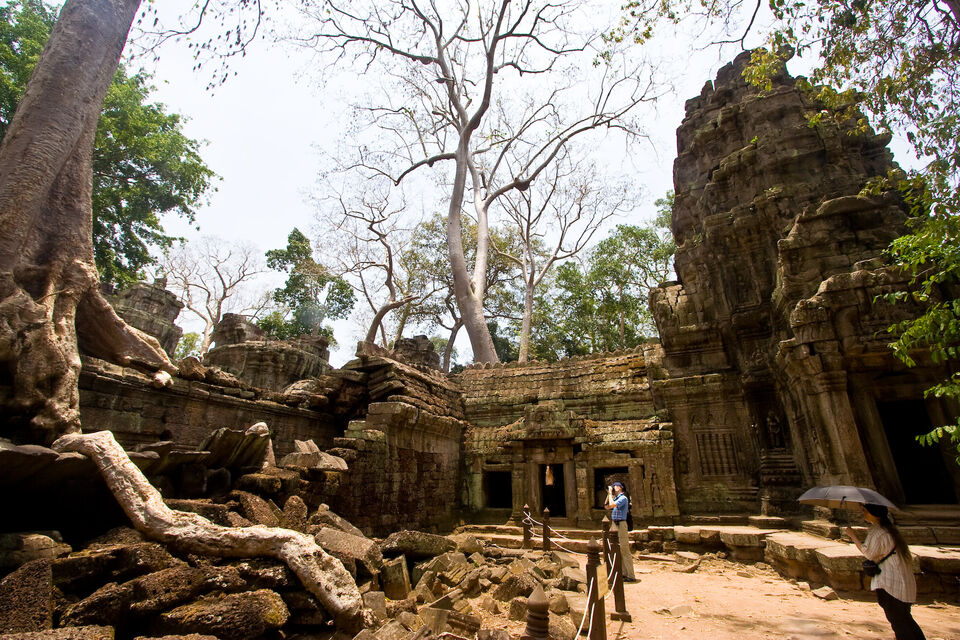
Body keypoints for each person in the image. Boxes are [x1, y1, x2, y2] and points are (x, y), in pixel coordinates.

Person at [845, 503, 926, 640]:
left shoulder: (879, 532)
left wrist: (852, 535)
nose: (863, 513)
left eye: (865, 511)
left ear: (874, 513)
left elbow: (868, 553)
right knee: (904, 620)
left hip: (891, 584)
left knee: (899, 622)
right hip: (902, 583)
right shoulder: (889, 530)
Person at [603, 481, 636, 582]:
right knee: (617, 549)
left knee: (624, 549)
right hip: (615, 524)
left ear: (620, 487)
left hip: (621, 524)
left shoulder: (623, 498)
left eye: (615, 486)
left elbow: (612, 505)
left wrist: (610, 494)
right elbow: (606, 506)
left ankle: (631, 575)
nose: (613, 487)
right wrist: (609, 494)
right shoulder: (616, 498)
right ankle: (623, 573)